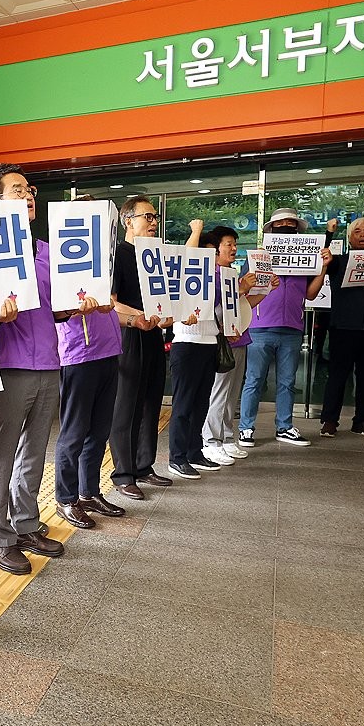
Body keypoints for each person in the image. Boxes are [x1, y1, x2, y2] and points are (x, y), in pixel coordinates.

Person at [0, 164, 93, 575]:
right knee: (1, 455)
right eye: (16, 190)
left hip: (49, 364)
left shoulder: (45, 251)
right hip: (8, 366)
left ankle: (24, 524)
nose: (28, 196)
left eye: (29, 190)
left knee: (34, 452)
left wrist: (74, 307)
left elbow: (52, 310)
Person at [53, 223, 123, 527]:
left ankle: (88, 492)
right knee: (74, 433)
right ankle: (65, 499)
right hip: (78, 355)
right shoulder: (61, 260)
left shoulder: (104, 262)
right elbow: (55, 308)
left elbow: (112, 304)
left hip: (108, 352)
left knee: (98, 431)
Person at [110, 195, 174, 499]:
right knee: (126, 405)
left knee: (151, 402)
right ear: (128, 221)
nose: (153, 222)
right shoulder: (118, 254)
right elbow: (110, 302)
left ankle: (143, 465)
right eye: (147, 217)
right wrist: (138, 317)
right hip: (129, 333)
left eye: (155, 217)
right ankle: (123, 473)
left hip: (152, 335)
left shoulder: (155, 256)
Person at [238, 207, 313, 448]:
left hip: (292, 327)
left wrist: (322, 267)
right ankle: (246, 428)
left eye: (291, 224)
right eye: (281, 225)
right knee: (254, 379)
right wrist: (257, 264)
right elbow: (240, 287)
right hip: (260, 327)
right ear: (271, 230)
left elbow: (310, 293)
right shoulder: (257, 258)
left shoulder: (305, 261)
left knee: (287, 382)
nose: (286, 228)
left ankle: (285, 427)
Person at [201, 225, 274, 466]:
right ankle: (210, 441)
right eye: (228, 244)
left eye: (235, 244)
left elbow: (243, 304)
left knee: (232, 394)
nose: (233, 248)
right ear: (216, 249)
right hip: (221, 341)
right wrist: (242, 288)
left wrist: (265, 291)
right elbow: (212, 308)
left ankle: (227, 438)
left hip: (240, 338)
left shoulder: (232, 273)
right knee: (219, 392)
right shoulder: (209, 274)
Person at [311, 217, 364, 439]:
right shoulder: (339, 262)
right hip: (343, 328)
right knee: (337, 376)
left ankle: (363, 420)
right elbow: (322, 259)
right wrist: (329, 234)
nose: (362, 235)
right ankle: (329, 420)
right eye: (357, 232)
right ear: (350, 236)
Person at [165, 221, 219, 479]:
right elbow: (188, 258)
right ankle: (176, 457)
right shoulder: (185, 276)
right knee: (184, 405)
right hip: (186, 344)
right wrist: (195, 231)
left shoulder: (219, 279)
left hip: (209, 344)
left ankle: (194, 452)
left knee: (200, 404)